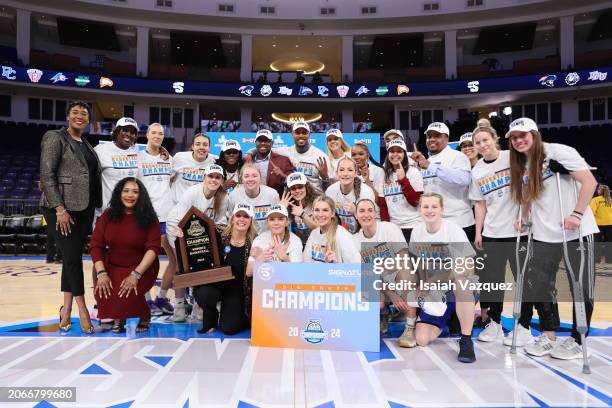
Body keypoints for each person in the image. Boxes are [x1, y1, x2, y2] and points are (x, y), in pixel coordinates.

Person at [508, 117, 598, 360]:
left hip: (575, 231)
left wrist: (577, 214)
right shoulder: (523, 164)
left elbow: (590, 181)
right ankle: (548, 336)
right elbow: (528, 194)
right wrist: (524, 217)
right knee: (540, 285)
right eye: (514, 138)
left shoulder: (559, 152)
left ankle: (578, 340)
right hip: (544, 234)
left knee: (579, 286)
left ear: (535, 134)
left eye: (522, 135)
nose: (518, 141)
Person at [40, 101, 102, 334]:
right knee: (73, 258)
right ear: (67, 116)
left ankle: (65, 309)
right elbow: (47, 174)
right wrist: (59, 209)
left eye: (84, 114)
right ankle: (82, 309)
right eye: (75, 113)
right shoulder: (55, 137)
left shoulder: (86, 144)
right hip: (62, 210)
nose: (79, 116)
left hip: (83, 209)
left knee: (71, 257)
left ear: (88, 120)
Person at [469, 119, 531, 344]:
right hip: (492, 233)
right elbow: (480, 204)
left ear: (494, 139)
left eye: (485, 140)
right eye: (477, 142)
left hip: (518, 231)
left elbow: (527, 187)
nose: (482, 145)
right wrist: (478, 232)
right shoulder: (477, 171)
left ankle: (523, 326)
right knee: (492, 282)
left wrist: (524, 216)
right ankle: (493, 323)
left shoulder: (511, 157)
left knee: (522, 280)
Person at [409, 192, 477, 363]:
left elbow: (468, 267)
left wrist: (435, 280)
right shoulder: (417, 232)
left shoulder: (453, 230)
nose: (429, 210)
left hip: (457, 286)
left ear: (442, 209)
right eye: (425, 206)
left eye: (434, 206)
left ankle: (466, 339)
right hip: (436, 293)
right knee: (422, 339)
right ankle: (451, 316)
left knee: (461, 283)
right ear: (420, 209)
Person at [92, 177, 160, 333]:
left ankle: (143, 315)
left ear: (141, 196)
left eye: (135, 192)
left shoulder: (149, 217)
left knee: (127, 291)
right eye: (126, 191)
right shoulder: (108, 216)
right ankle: (119, 315)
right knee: (105, 290)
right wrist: (101, 273)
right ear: (119, 193)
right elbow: (96, 246)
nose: (130, 195)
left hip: (142, 268)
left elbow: (153, 249)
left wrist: (135, 275)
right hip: (113, 265)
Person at [166, 163, 229, 322]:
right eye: (211, 176)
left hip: (201, 231)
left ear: (222, 180)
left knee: (203, 264)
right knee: (182, 265)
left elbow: (220, 222)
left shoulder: (223, 197)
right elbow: (181, 218)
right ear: (204, 178)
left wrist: (214, 237)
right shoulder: (192, 192)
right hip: (178, 226)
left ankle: (198, 304)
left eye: (217, 177)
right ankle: (179, 306)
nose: (213, 180)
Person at [353, 198, 417, 343]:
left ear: (375, 213)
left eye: (370, 210)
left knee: (407, 275)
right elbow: (367, 275)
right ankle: (383, 313)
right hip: (378, 282)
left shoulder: (389, 228)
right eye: (361, 211)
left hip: (396, 276)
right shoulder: (354, 240)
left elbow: (404, 260)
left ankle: (410, 327)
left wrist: (398, 289)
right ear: (356, 215)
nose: (366, 214)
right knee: (375, 299)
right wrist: (391, 294)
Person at [192, 203, 256, 334]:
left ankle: (242, 315)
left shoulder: (255, 242)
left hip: (238, 290)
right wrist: (181, 236)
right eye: (238, 215)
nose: (241, 219)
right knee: (203, 294)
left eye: (246, 216)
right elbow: (196, 237)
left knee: (229, 328)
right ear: (232, 218)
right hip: (218, 285)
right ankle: (211, 319)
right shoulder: (219, 235)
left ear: (251, 221)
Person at [412, 122, 475, 240]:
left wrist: (431, 166)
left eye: (437, 136)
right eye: (429, 136)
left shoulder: (457, 156)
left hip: (459, 221)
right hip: (436, 223)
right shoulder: (426, 161)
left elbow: (464, 179)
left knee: (463, 259)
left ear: (446, 138)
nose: (431, 139)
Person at [137, 123, 175, 317]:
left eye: (161, 133)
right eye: (154, 132)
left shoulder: (169, 158)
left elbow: (175, 179)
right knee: (147, 261)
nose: (158, 136)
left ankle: (161, 296)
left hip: (167, 216)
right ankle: (145, 301)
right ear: (147, 135)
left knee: (174, 259)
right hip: (146, 217)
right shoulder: (138, 157)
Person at [256, 121, 332, 194]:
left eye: (304, 133)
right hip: (295, 197)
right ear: (292, 134)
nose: (301, 135)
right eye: (297, 133)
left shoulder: (321, 156)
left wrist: (325, 178)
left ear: (309, 134)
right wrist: (250, 153)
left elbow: (330, 187)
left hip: (315, 199)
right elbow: (265, 148)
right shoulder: (285, 151)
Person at [381, 139, 423, 242]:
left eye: (399, 151)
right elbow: (383, 205)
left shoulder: (413, 172)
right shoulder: (384, 174)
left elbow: (416, 202)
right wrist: (387, 228)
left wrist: (403, 180)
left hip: (414, 225)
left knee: (415, 258)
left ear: (404, 154)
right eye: (392, 151)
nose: (395, 154)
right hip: (394, 228)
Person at [94, 117, 139, 211]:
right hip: (105, 212)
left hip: (129, 212)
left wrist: (161, 150)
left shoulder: (137, 153)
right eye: (125, 130)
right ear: (117, 131)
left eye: (132, 132)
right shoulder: (101, 150)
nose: (128, 134)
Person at [325, 157, 376, 233]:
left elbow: (370, 225)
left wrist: (355, 212)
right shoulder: (330, 191)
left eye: (350, 170)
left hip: (363, 233)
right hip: (341, 234)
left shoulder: (366, 192)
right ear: (337, 173)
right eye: (342, 170)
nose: (345, 174)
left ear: (356, 173)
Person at [303, 196, 361, 263]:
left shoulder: (341, 234)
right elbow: (306, 263)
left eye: (325, 210)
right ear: (312, 212)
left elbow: (357, 267)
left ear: (332, 213)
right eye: (317, 210)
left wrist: (335, 266)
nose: (320, 214)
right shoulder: (314, 233)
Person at [227, 164, 280, 232]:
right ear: (241, 179)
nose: (250, 179)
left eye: (254, 176)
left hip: (267, 238)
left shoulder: (272, 194)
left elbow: (279, 221)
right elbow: (231, 222)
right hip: (244, 238)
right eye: (246, 176)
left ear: (260, 178)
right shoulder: (234, 196)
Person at [248, 204, 303, 269]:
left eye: (280, 219)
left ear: (287, 222)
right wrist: (260, 258)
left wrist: (285, 258)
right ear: (267, 222)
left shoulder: (295, 241)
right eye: (272, 219)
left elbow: (297, 273)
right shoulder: (259, 239)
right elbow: (248, 272)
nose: (276, 223)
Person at [171, 133, 218, 203]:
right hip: (178, 206)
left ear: (209, 147)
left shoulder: (215, 161)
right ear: (193, 146)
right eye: (198, 144)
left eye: (205, 145)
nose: (201, 147)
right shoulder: (179, 157)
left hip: (200, 208)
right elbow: (168, 178)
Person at [280, 172, 320, 246]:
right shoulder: (289, 204)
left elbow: (321, 229)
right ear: (289, 191)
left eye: (300, 187)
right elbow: (280, 228)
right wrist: (281, 210)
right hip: (300, 244)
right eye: (293, 188)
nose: (297, 191)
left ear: (306, 187)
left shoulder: (317, 201)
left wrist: (302, 214)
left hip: (318, 244)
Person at [251, 129, 294, 197]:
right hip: (252, 202)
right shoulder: (248, 160)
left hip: (275, 203)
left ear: (272, 143)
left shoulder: (283, 160)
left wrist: (283, 176)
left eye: (266, 141)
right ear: (255, 142)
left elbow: (293, 182)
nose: (263, 143)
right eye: (260, 141)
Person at [590, 184, 612, 263]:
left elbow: (591, 212)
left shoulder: (595, 200)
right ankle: (609, 260)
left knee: (597, 243)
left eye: (598, 189)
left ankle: (596, 260)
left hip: (598, 224)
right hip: (610, 224)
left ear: (600, 191)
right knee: (609, 243)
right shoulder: (610, 200)